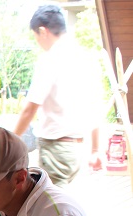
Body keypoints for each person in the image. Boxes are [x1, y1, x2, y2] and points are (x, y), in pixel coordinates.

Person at [13, 4, 103, 187]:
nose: (38, 42)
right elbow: (95, 109)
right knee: (69, 205)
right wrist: (95, 150)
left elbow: (30, 109)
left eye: (36, 37)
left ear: (42, 31)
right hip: (79, 150)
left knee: (53, 209)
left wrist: (11, 140)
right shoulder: (86, 58)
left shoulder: (50, 59)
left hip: (56, 150)